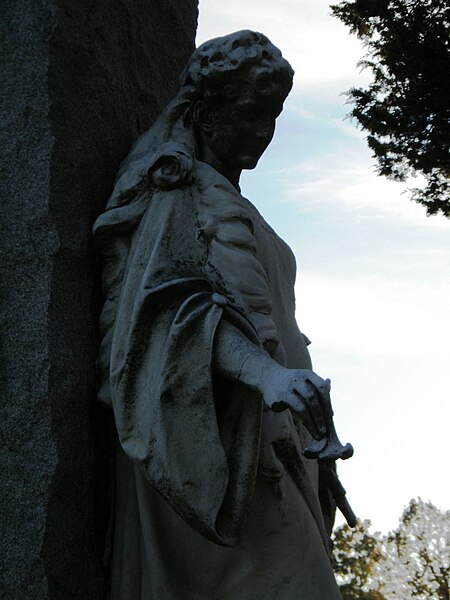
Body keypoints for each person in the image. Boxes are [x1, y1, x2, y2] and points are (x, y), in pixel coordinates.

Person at [94, 30, 344, 599]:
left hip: (272, 442)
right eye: (251, 113)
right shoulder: (177, 188)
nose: (264, 132)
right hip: (203, 449)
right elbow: (169, 312)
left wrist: (315, 436)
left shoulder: (233, 203)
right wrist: (268, 376)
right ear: (206, 108)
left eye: (274, 116)